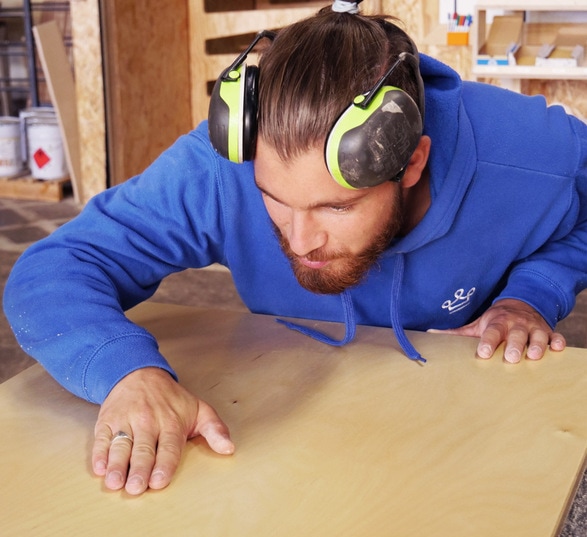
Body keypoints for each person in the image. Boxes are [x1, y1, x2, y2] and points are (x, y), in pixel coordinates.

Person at [3, 0, 587, 497]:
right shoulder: (220, 165)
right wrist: (128, 374)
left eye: (336, 207)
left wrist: (534, 292)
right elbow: (57, 267)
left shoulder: (527, 152)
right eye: (273, 198)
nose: (300, 242)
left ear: (412, 163)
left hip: (460, 442)